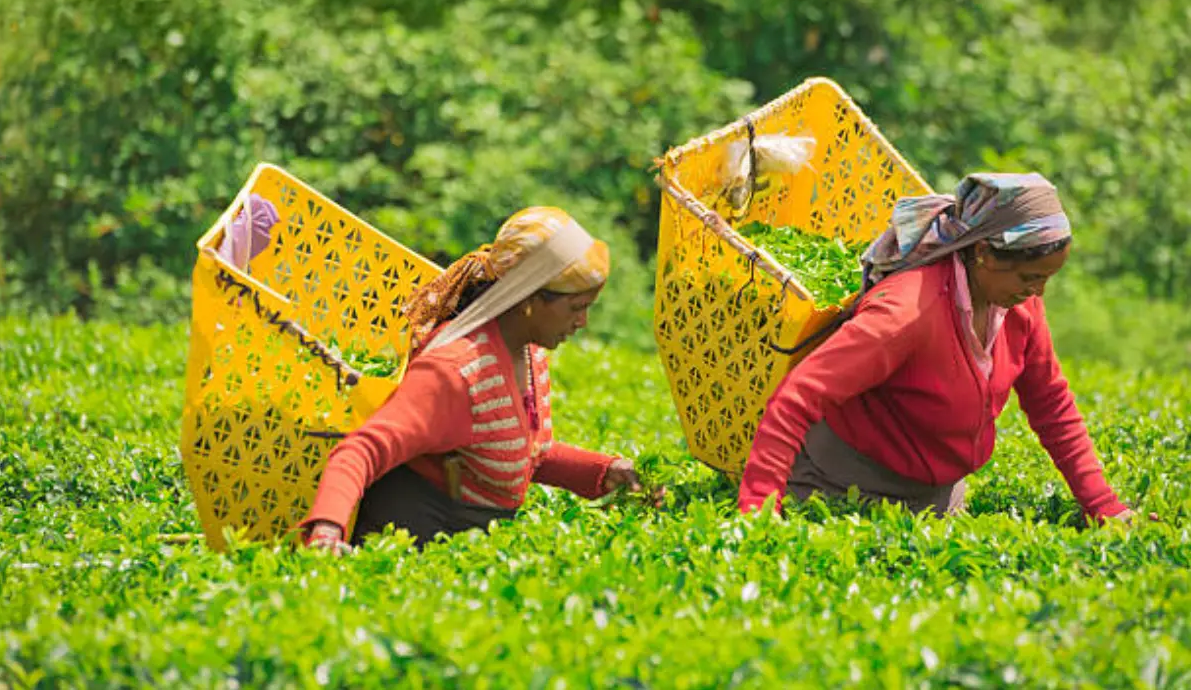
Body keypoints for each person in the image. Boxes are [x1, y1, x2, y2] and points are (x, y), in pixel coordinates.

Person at [738, 173, 1139, 522]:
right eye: (1029, 277)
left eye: (1047, 279)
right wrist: (758, 512)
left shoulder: (1019, 307)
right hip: (840, 489)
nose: (1038, 292)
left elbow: (1052, 404)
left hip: (937, 498)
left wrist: (1104, 506)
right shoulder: (907, 311)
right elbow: (798, 397)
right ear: (983, 253)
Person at [301, 207, 645, 552]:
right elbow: (361, 450)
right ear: (529, 298)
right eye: (576, 307)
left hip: (465, 550)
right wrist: (327, 532)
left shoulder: (531, 354)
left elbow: (521, 452)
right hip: (406, 547)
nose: (583, 322)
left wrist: (605, 472)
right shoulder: (457, 371)